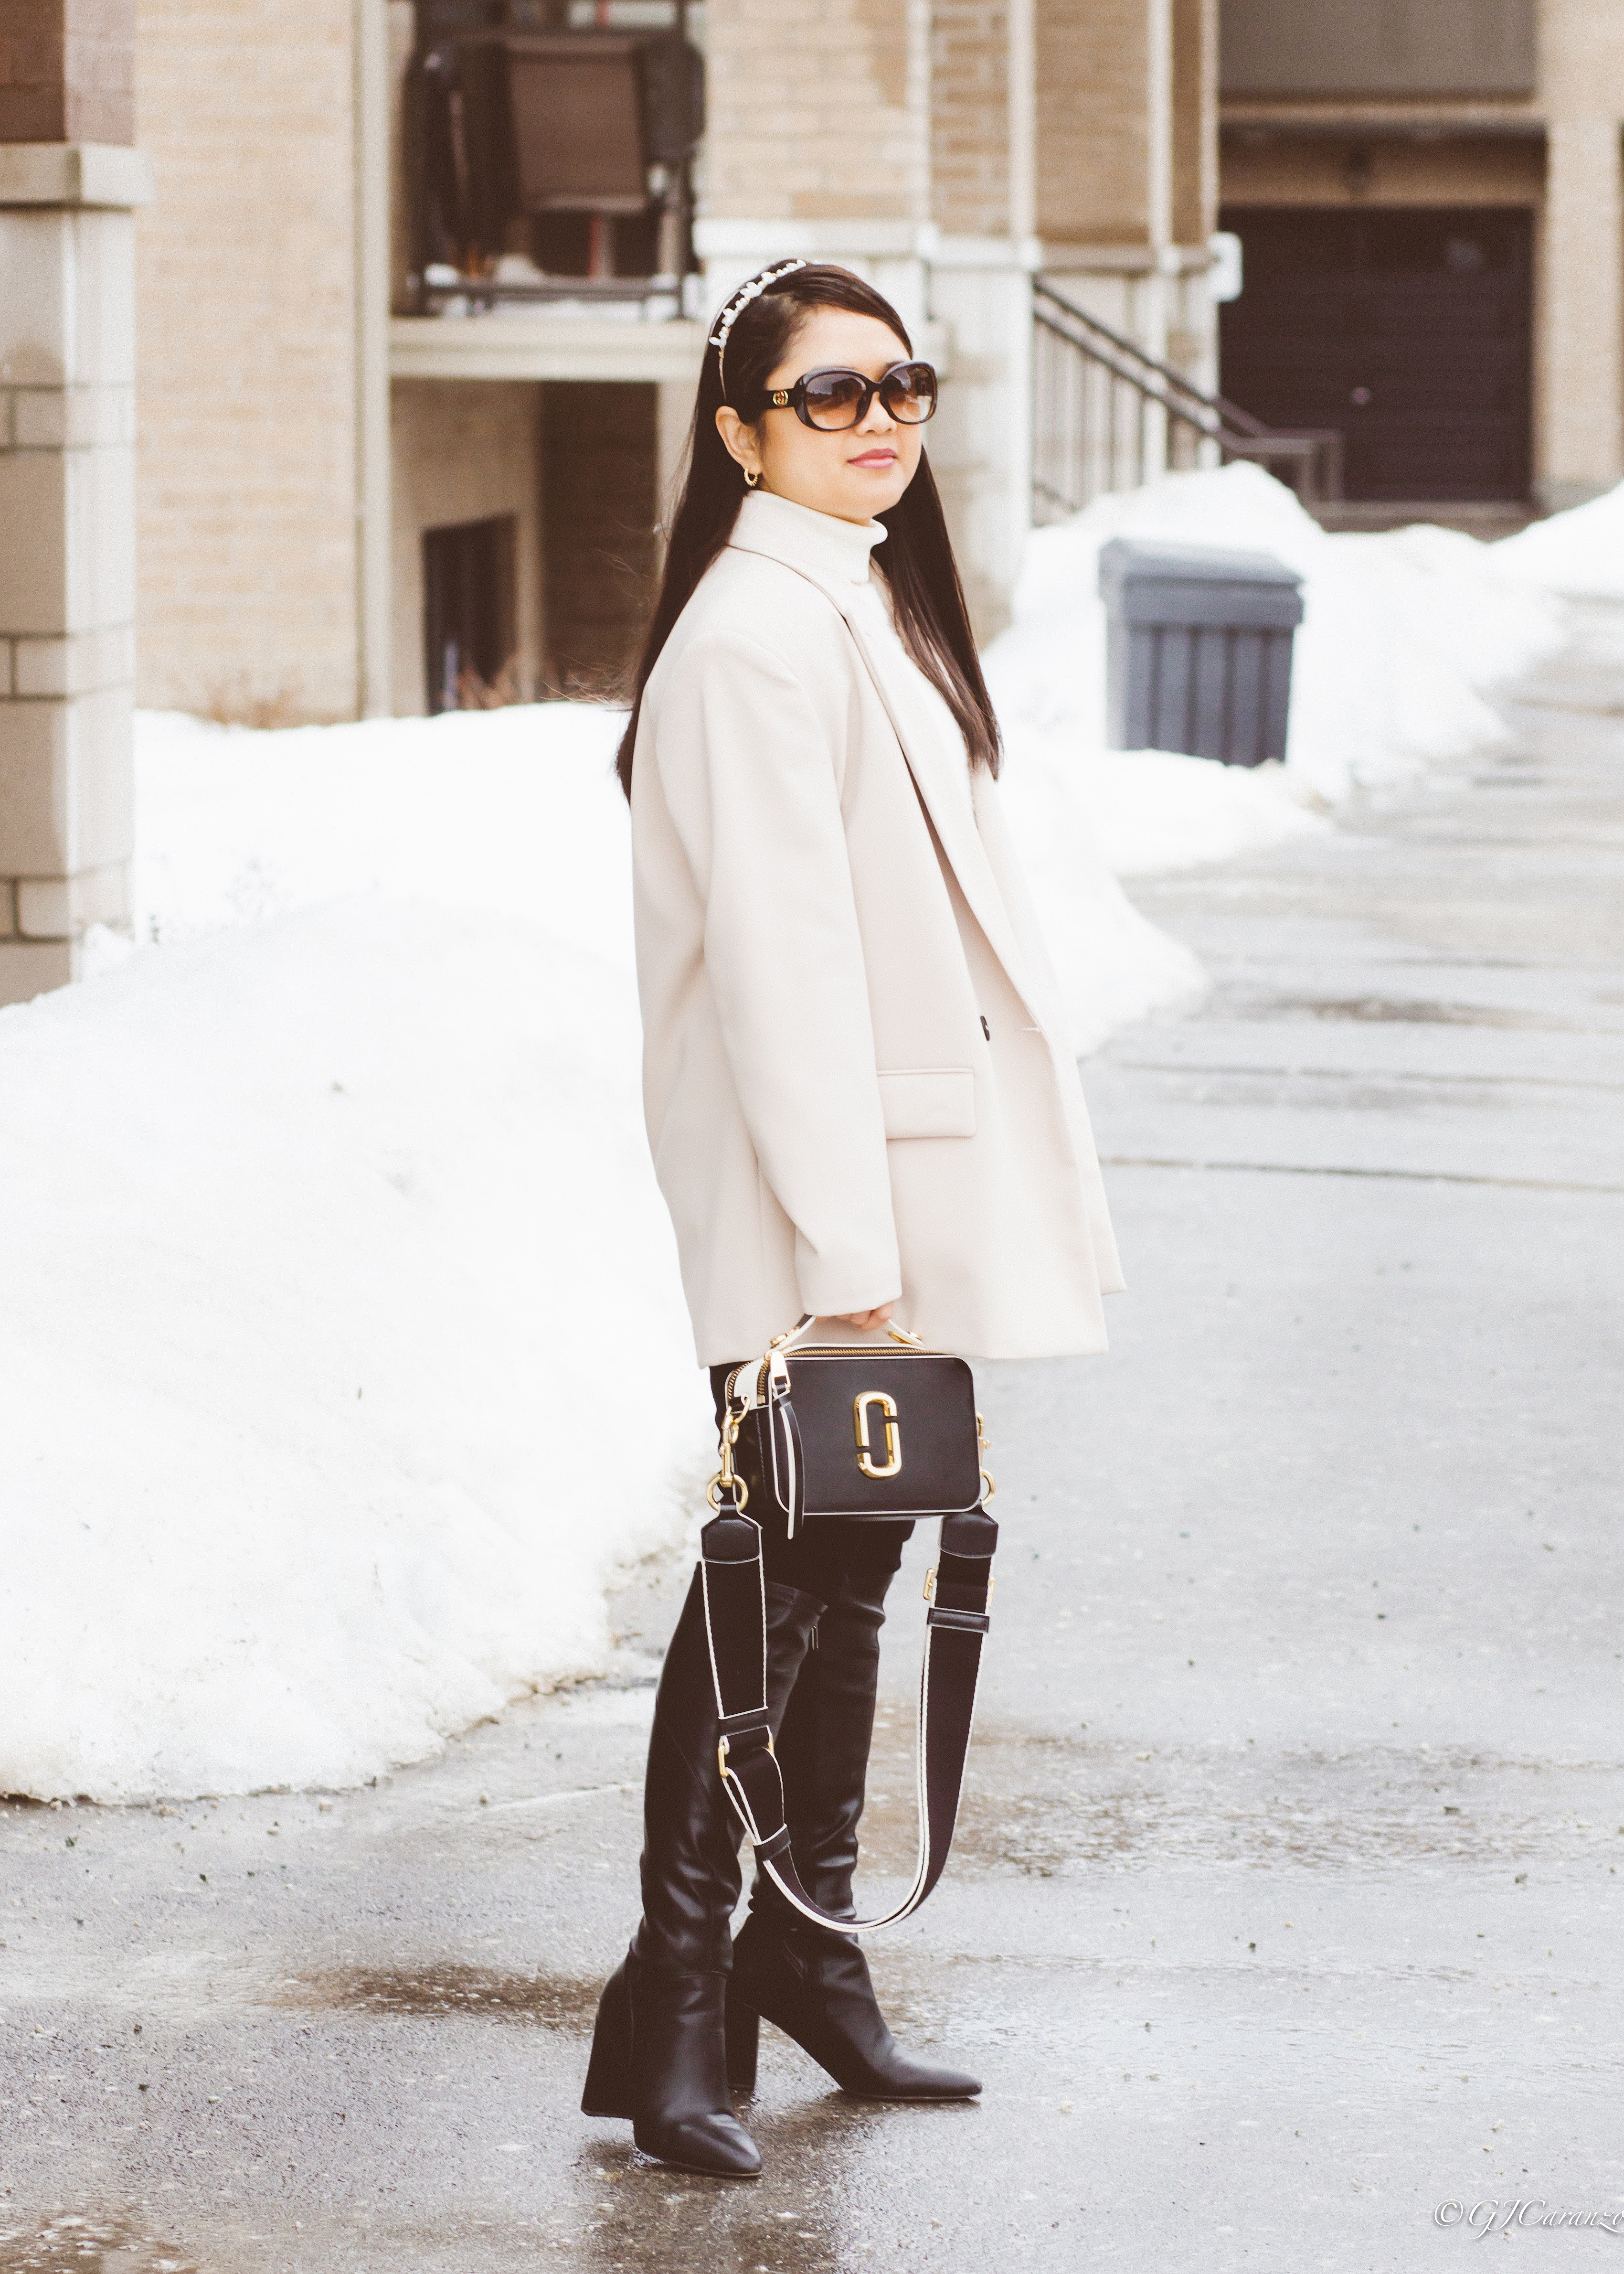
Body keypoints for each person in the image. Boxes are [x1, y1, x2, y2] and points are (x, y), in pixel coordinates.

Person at [580, 261, 1122, 2177]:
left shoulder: (858, 599)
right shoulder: (753, 637)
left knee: (850, 1566)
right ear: (737, 432)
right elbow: (784, 980)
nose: (878, 416)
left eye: (901, 383)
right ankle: (676, 2008)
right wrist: (844, 1262)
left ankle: (807, 1957)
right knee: (775, 1588)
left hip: (887, 1184)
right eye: (826, 394)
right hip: (821, 1200)